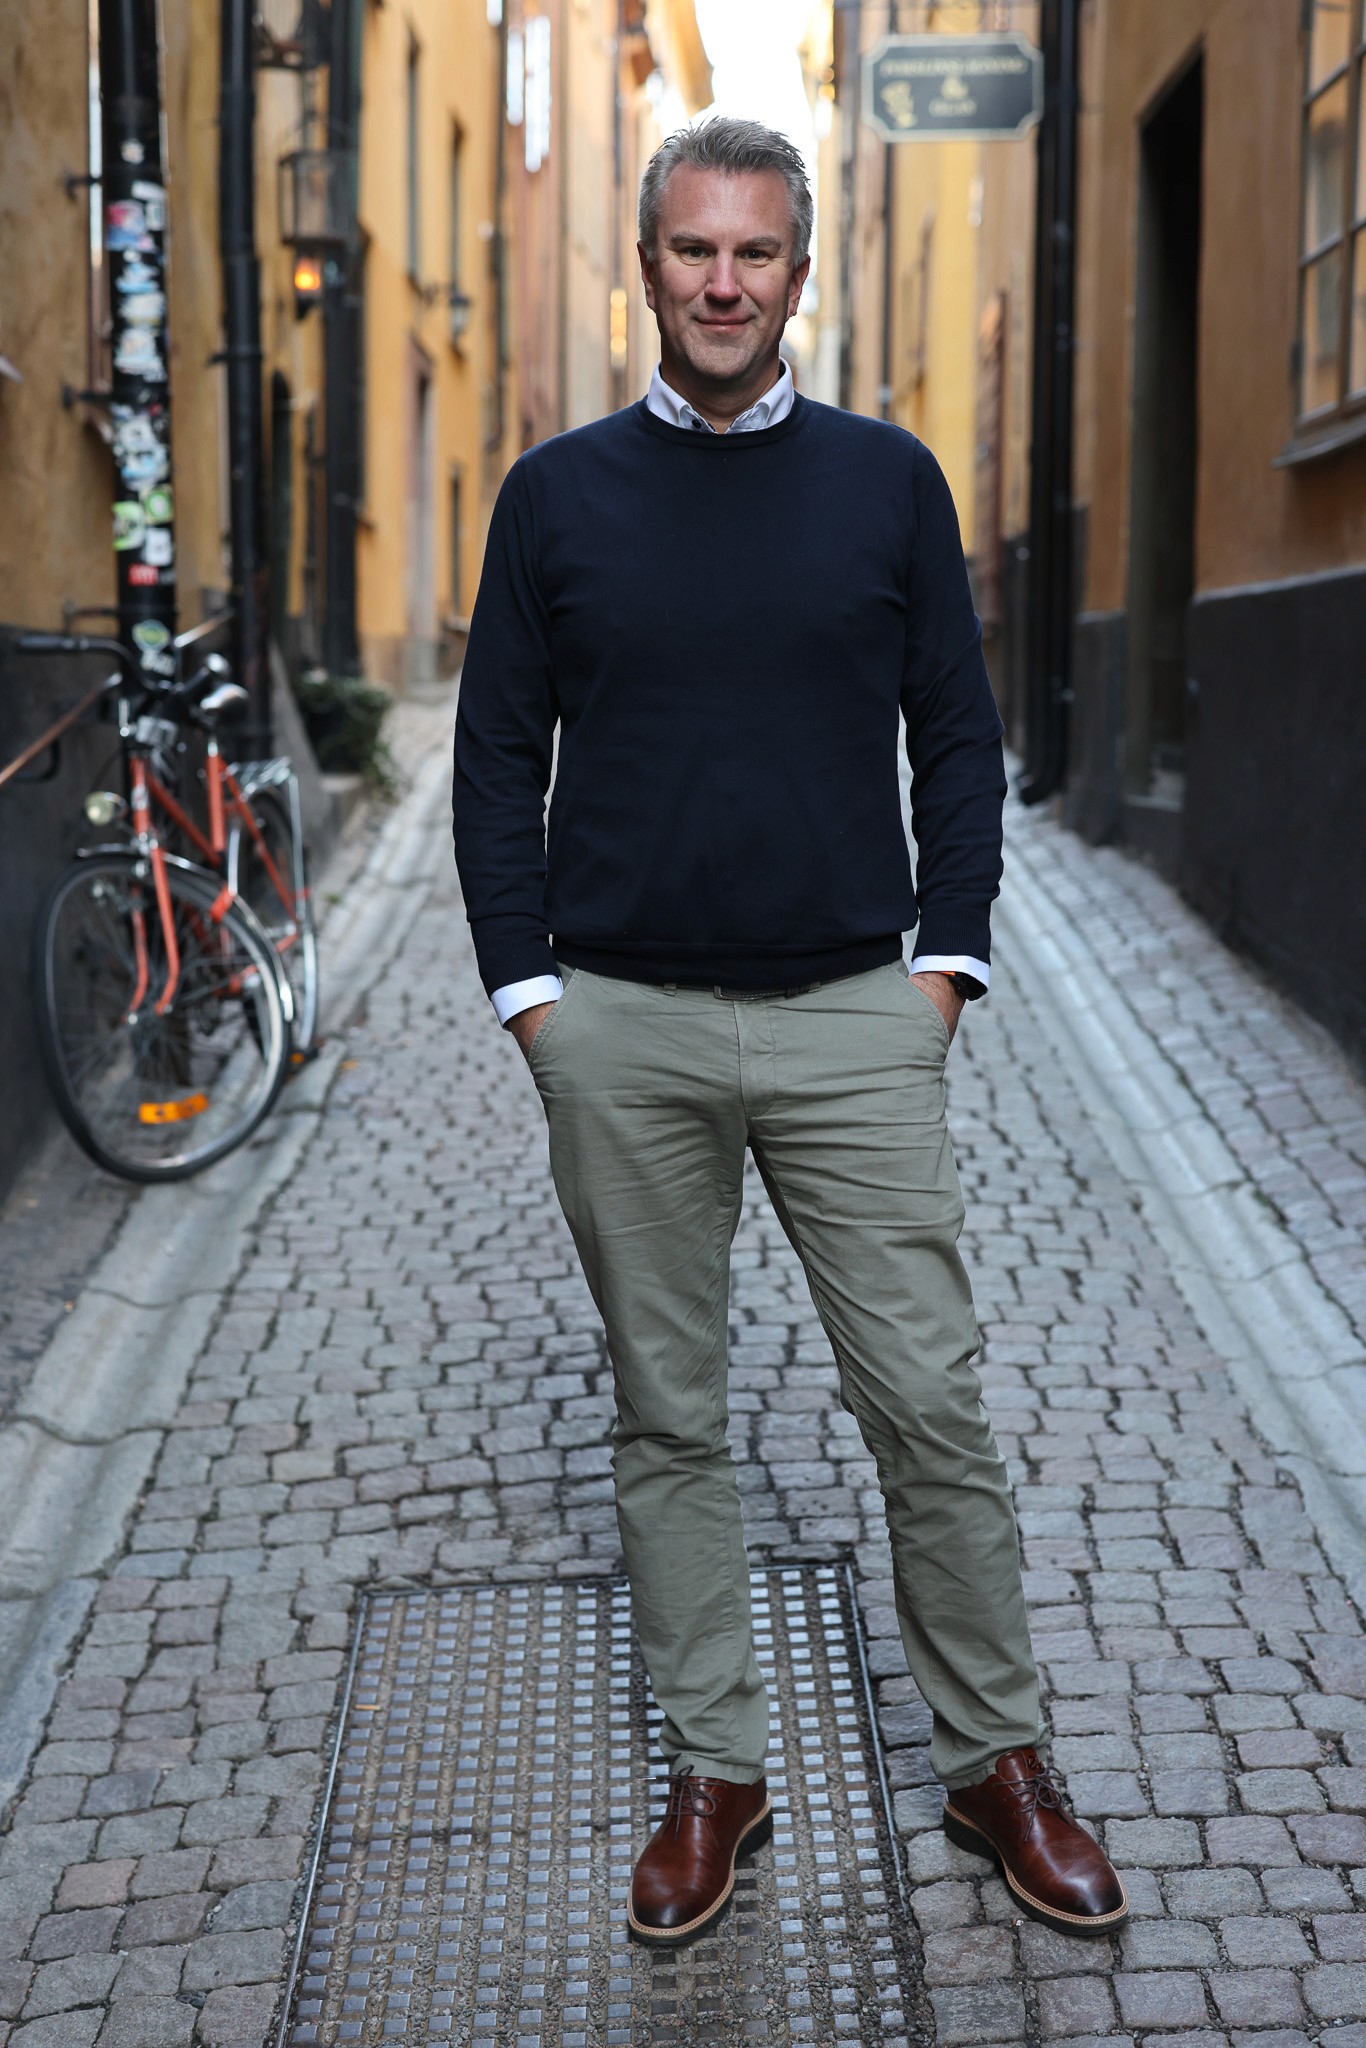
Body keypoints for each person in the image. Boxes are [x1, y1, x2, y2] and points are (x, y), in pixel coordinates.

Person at [452, 117, 1127, 1946]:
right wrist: (533, 997)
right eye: (691, 251)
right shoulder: (557, 496)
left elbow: (960, 735)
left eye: (754, 253)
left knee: (928, 1403)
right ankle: (717, 1771)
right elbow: (498, 749)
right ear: (648, 266)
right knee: (671, 1418)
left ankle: (995, 1762)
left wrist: (945, 970)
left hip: (849, 1015)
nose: (723, 282)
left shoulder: (888, 483)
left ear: (799, 273)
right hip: (625, 1025)